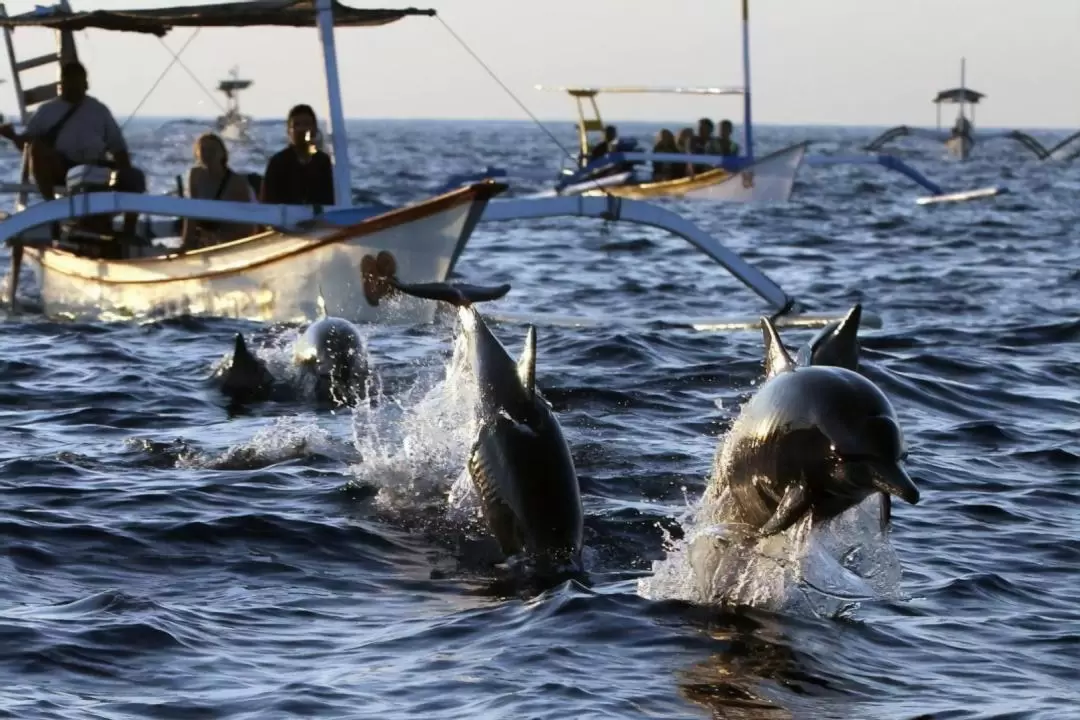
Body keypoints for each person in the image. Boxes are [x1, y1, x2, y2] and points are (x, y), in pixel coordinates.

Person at [0, 60, 147, 237]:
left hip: (95, 168)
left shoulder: (99, 110)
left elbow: (118, 148)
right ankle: (52, 209)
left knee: (134, 177)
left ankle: (128, 231)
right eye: (69, 84)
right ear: (61, 86)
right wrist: (12, 136)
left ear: (86, 84)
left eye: (77, 84)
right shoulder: (47, 111)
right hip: (63, 169)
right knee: (37, 148)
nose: (74, 88)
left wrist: (125, 174)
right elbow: (27, 144)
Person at [182, 132, 255, 250]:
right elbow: (191, 213)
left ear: (222, 153)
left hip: (232, 241)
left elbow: (249, 224)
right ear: (197, 153)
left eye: (212, 150)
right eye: (203, 150)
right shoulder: (195, 175)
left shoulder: (237, 183)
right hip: (205, 240)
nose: (208, 154)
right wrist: (186, 243)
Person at [259, 104, 335, 206]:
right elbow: (267, 205)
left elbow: (329, 202)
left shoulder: (323, 162)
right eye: (296, 125)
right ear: (288, 131)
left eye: (307, 124)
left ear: (315, 129)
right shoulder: (278, 162)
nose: (302, 129)